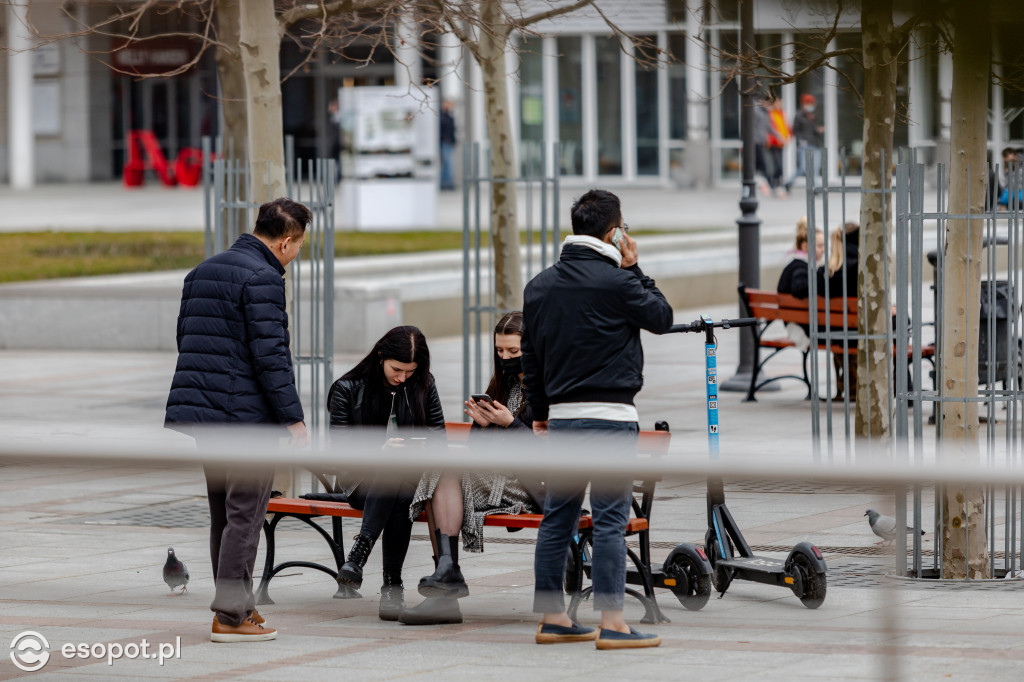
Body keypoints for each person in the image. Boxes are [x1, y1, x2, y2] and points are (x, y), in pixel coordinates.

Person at [522, 189, 673, 650]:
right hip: (611, 417)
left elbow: (531, 359)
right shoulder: (619, 282)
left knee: (557, 518)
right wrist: (635, 268)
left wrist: (542, 413)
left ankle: (552, 617)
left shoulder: (540, 286)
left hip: (564, 419)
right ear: (614, 231)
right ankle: (613, 623)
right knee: (610, 521)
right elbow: (662, 318)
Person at [165, 198, 311, 643]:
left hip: (205, 414)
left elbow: (184, 337)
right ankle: (230, 615)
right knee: (245, 516)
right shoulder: (263, 277)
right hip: (245, 418)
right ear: (286, 241)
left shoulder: (202, 271)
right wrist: (293, 418)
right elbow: (272, 357)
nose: (297, 253)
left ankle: (240, 604)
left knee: (223, 516)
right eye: (300, 245)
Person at [401, 311, 545, 626]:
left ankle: (447, 584)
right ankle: (447, 575)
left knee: (440, 473)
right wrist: (482, 427)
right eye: (500, 351)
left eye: (513, 352)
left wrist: (509, 424)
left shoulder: (549, 386)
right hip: (496, 479)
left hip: (533, 485)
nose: (505, 358)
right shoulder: (503, 385)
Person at [328, 325, 445, 621]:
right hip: (360, 481)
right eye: (396, 369)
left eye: (410, 371)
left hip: (409, 478)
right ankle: (392, 587)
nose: (403, 377)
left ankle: (357, 559)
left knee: (402, 486)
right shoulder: (347, 388)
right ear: (381, 356)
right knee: (397, 482)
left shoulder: (423, 384)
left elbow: (438, 438)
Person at [817, 223, 860, 400]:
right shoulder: (860, 269)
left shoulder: (824, 272)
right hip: (859, 333)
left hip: (833, 332)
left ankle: (846, 384)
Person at [777, 217, 824, 350]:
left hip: (796, 321)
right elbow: (799, 288)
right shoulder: (800, 268)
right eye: (820, 246)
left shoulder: (794, 264)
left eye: (824, 245)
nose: (823, 249)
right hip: (801, 327)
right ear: (804, 246)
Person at [785, 94, 824, 193]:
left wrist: (818, 130)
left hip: (814, 144)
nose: (811, 105)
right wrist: (801, 141)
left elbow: (813, 130)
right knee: (803, 168)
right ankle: (789, 182)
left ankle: (815, 188)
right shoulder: (799, 116)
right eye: (809, 103)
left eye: (812, 103)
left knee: (815, 167)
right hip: (804, 145)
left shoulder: (812, 116)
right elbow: (795, 131)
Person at [766, 97, 791, 198]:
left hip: (781, 143)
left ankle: (777, 183)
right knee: (778, 164)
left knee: (780, 164)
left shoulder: (782, 114)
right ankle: (775, 183)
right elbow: (770, 130)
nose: (779, 105)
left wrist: (787, 137)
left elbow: (785, 127)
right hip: (774, 143)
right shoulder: (771, 115)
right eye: (778, 103)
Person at [439, 100, 457, 191]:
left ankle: (446, 183)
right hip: (444, 142)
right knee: (446, 163)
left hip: (449, 143)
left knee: (447, 163)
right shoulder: (441, 117)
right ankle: (446, 183)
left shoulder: (450, 116)